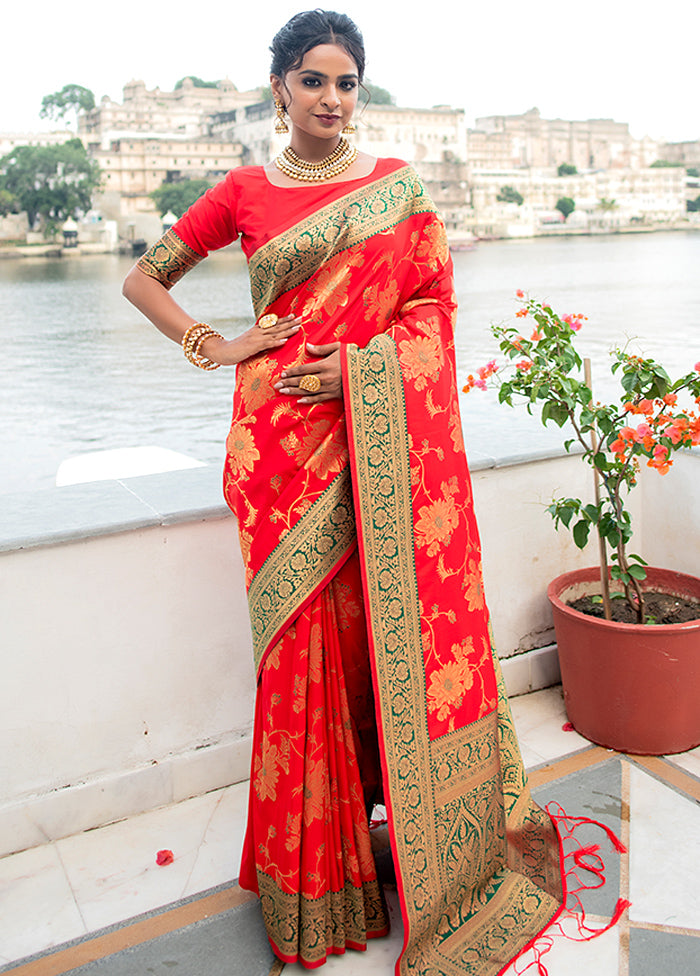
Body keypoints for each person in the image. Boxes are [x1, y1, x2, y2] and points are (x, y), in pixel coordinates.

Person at [123, 10, 585, 973]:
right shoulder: (244, 191)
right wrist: (215, 343)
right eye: (313, 81)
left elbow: (433, 312)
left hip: (371, 439)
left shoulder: (397, 191)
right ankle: (313, 884)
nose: (331, 100)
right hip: (276, 456)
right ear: (280, 88)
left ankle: (414, 843)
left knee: (387, 639)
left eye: (347, 84)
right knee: (302, 656)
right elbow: (145, 279)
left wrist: (356, 374)